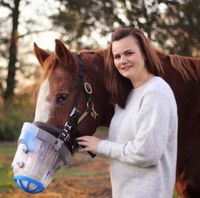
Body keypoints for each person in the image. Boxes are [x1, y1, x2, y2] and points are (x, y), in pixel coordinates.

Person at [76, 27, 178, 198]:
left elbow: (147, 153)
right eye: (117, 56)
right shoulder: (128, 95)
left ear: (145, 53)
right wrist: (90, 145)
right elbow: (123, 147)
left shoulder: (156, 92)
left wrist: (101, 145)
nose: (122, 60)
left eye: (129, 53)